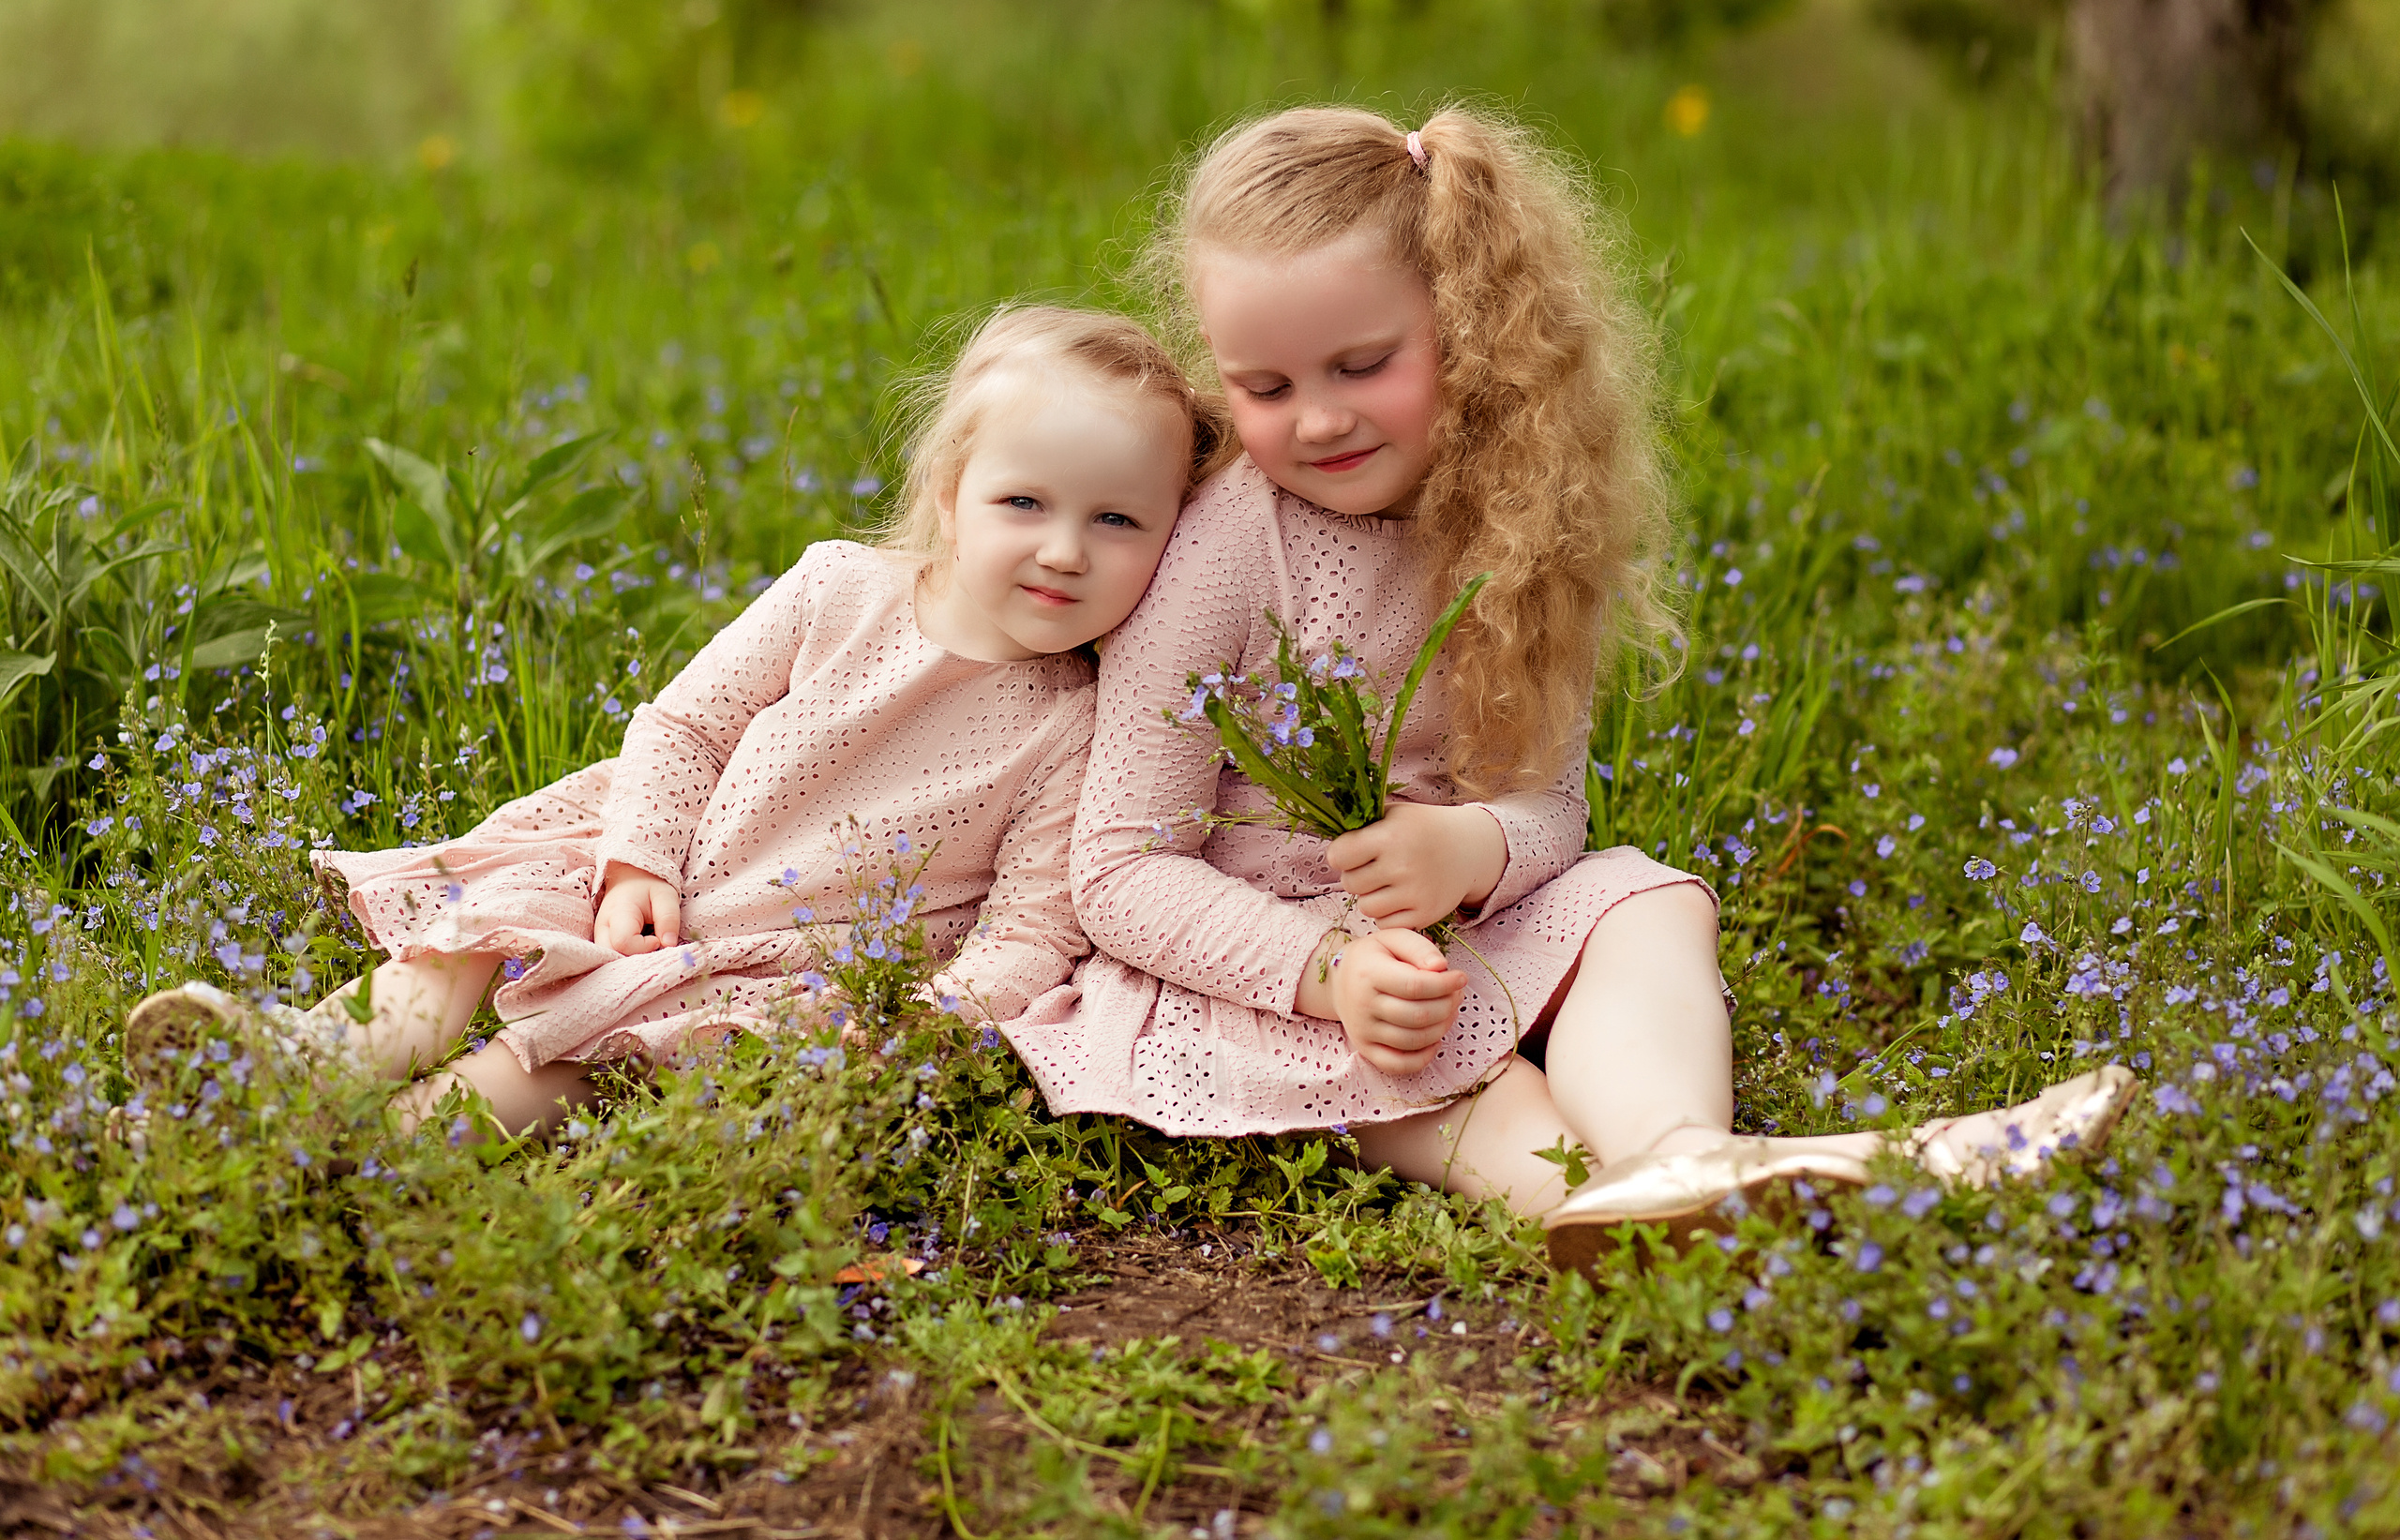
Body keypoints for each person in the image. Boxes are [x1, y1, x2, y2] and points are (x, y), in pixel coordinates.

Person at [998, 107, 2135, 1271]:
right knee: (1491, 1122)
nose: (1320, 417)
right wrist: (1326, 972)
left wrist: (1475, 845)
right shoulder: (1225, 549)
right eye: (1265, 385)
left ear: (1466, 323)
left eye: (1364, 365)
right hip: (1262, 980)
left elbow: (1547, 805)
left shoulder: (1519, 526)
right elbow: (1119, 870)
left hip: (1449, 935)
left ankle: (1681, 1151)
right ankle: (1842, 1184)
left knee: (1645, 901)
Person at [126, 306, 1232, 1139]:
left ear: (1172, 546)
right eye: (1024, 502)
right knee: (461, 949)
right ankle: (293, 1068)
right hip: (657, 861)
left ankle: (357, 1154)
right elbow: (684, 726)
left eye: (1117, 520)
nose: (1063, 550)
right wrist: (637, 861)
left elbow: (1026, 936)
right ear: (950, 494)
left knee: (555, 1069)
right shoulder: (838, 589)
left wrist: (905, 1028)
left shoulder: (1078, 725)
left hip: (783, 966)